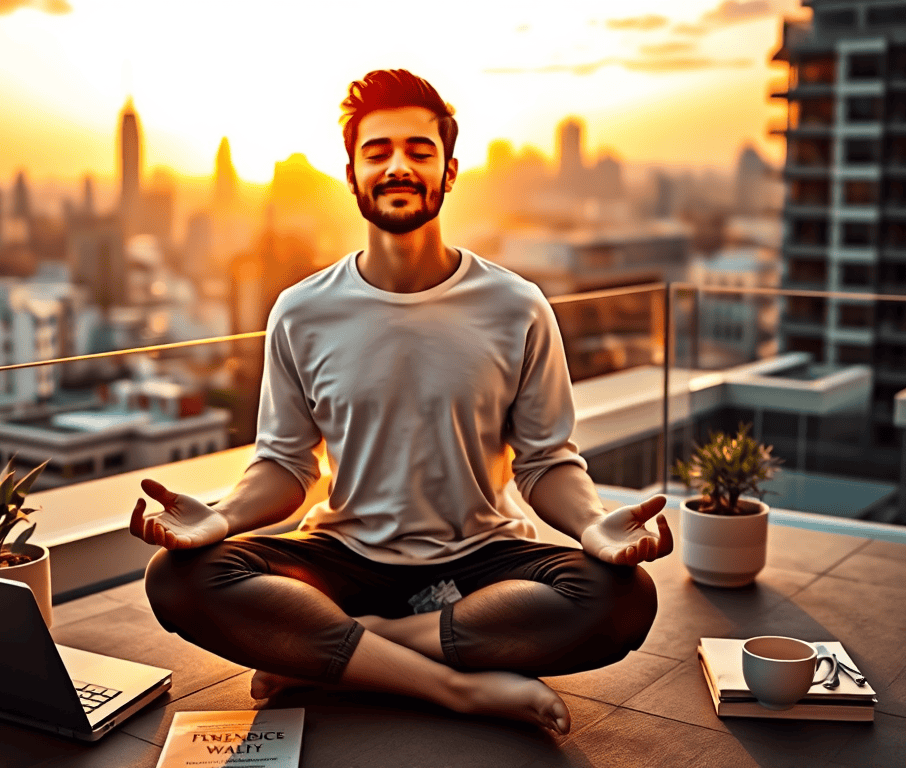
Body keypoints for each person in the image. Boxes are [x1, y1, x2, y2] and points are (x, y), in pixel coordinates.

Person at [132, 69, 674, 737]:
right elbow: (286, 466)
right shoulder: (301, 311)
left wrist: (591, 525)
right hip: (343, 557)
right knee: (178, 579)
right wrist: (221, 517)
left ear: (448, 171)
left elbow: (545, 462)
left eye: (418, 151)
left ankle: (339, 649)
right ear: (353, 172)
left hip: (483, 559)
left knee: (620, 599)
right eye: (377, 150)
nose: (397, 166)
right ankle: (452, 686)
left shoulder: (517, 306)